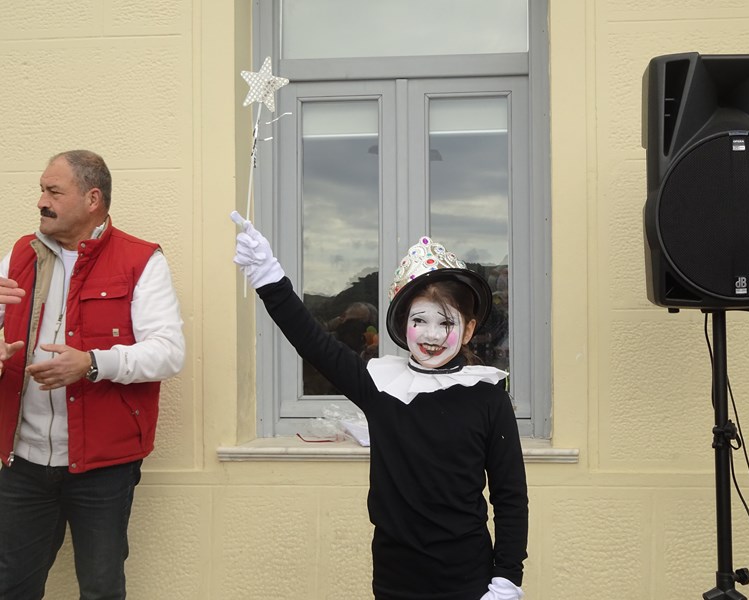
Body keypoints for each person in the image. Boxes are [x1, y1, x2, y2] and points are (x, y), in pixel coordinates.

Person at [232, 215, 528, 600]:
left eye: (446, 323)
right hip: (394, 580)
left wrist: (507, 579)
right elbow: (313, 341)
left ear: (469, 329)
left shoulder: (488, 397)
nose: (432, 334)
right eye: (420, 320)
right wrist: (268, 277)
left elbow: (510, 496)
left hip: (468, 581)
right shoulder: (380, 385)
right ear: (404, 325)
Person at [0, 150, 185, 599]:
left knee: (101, 588)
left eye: (53, 192)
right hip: (22, 462)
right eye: (41, 190)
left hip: (103, 467)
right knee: (11, 586)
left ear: (92, 199)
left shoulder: (141, 260)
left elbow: (168, 353)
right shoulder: (19, 254)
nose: (41, 202)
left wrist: (92, 363)